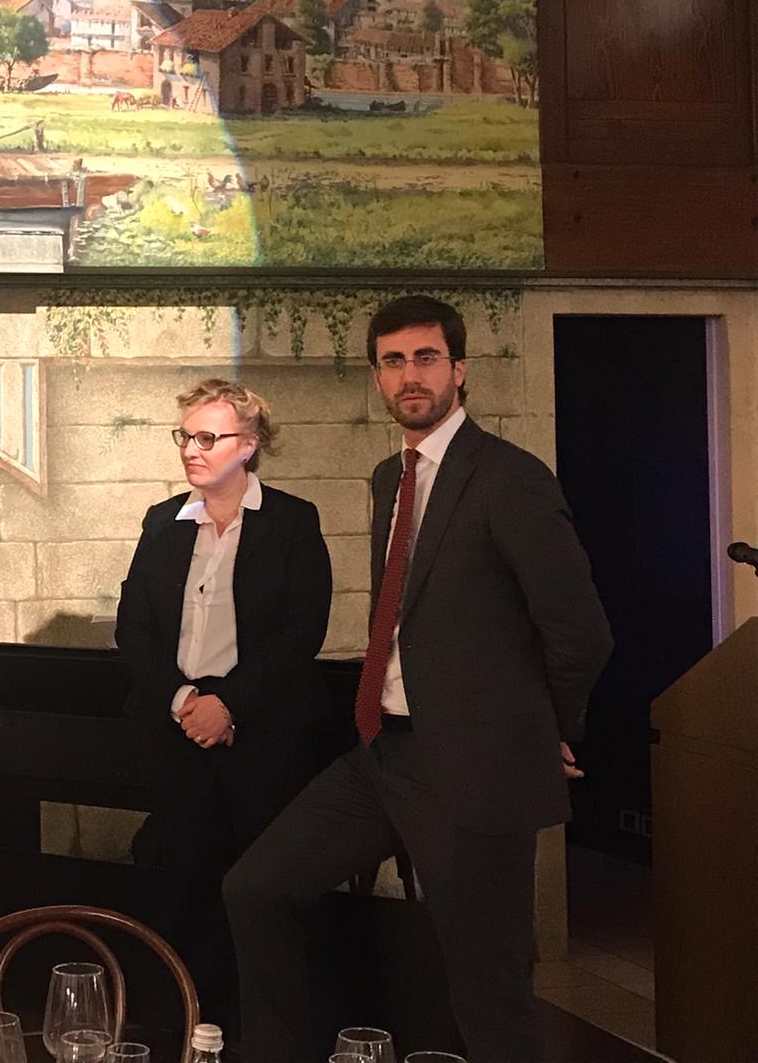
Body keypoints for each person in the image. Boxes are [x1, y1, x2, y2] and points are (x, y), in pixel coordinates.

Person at [223, 296, 614, 1062]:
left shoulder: (509, 479)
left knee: (489, 992)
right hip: (386, 754)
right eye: (393, 361)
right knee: (257, 888)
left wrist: (545, 730)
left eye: (426, 358)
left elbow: (581, 633)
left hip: (478, 765)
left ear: (459, 370)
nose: (411, 375)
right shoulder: (388, 478)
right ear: (377, 377)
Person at [116, 379, 331, 1030]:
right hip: (177, 730)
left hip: (260, 735)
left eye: (208, 437)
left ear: (249, 444)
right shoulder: (162, 521)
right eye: (185, 436)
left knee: (252, 887)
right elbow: (134, 628)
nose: (192, 449)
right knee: (176, 883)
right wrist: (187, 700)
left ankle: (254, 1031)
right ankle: (176, 1026)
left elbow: (302, 631)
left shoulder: (292, 520)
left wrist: (228, 704)